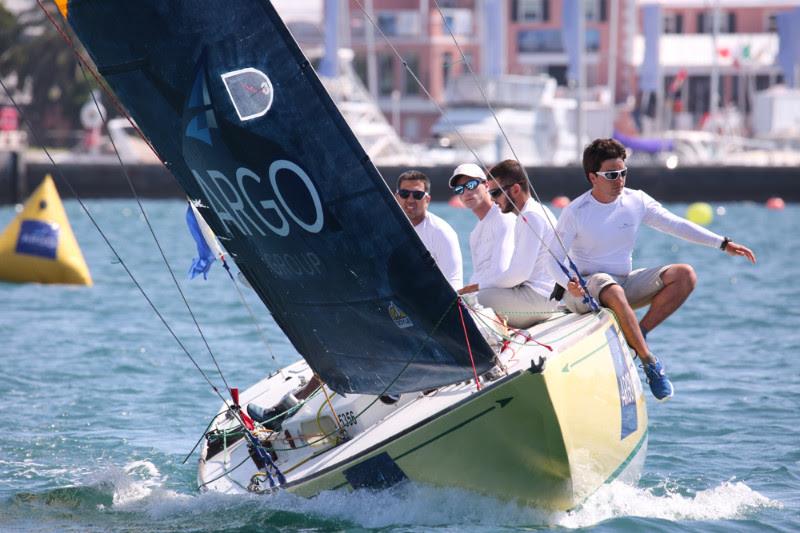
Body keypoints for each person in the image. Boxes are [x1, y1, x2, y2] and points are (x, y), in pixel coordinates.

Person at [549, 138, 756, 401]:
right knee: (607, 284)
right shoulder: (576, 211)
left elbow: (676, 224)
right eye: (611, 175)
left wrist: (722, 243)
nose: (620, 180)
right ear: (593, 177)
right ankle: (649, 362)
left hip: (622, 286)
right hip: (585, 290)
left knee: (685, 275)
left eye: (623, 173)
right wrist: (567, 282)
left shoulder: (636, 201)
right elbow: (552, 257)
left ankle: (637, 336)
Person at [461, 159, 559, 329]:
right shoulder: (532, 212)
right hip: (541, 298)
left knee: (471, 301)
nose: (493, 199)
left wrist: (478, 286)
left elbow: (518, 274)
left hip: (539, 302)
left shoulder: (531, 216)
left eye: (496, 193)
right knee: (476, 296)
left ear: (515, 189)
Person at [448, 163, 516, 296]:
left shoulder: (504, 217)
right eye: (459, 189)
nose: (466, 192)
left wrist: (470, 291)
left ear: (486, 185)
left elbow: (501, 271)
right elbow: (478, 274)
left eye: (471, 185)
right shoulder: (474, 234)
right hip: (489, 295)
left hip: (512, 295)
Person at [395, 170, 463, 290]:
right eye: (404, 193)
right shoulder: (384, 229)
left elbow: (454, 282)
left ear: (427, 200)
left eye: (417, 195)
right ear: (396, 197)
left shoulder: (442, 232)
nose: (410, 200)